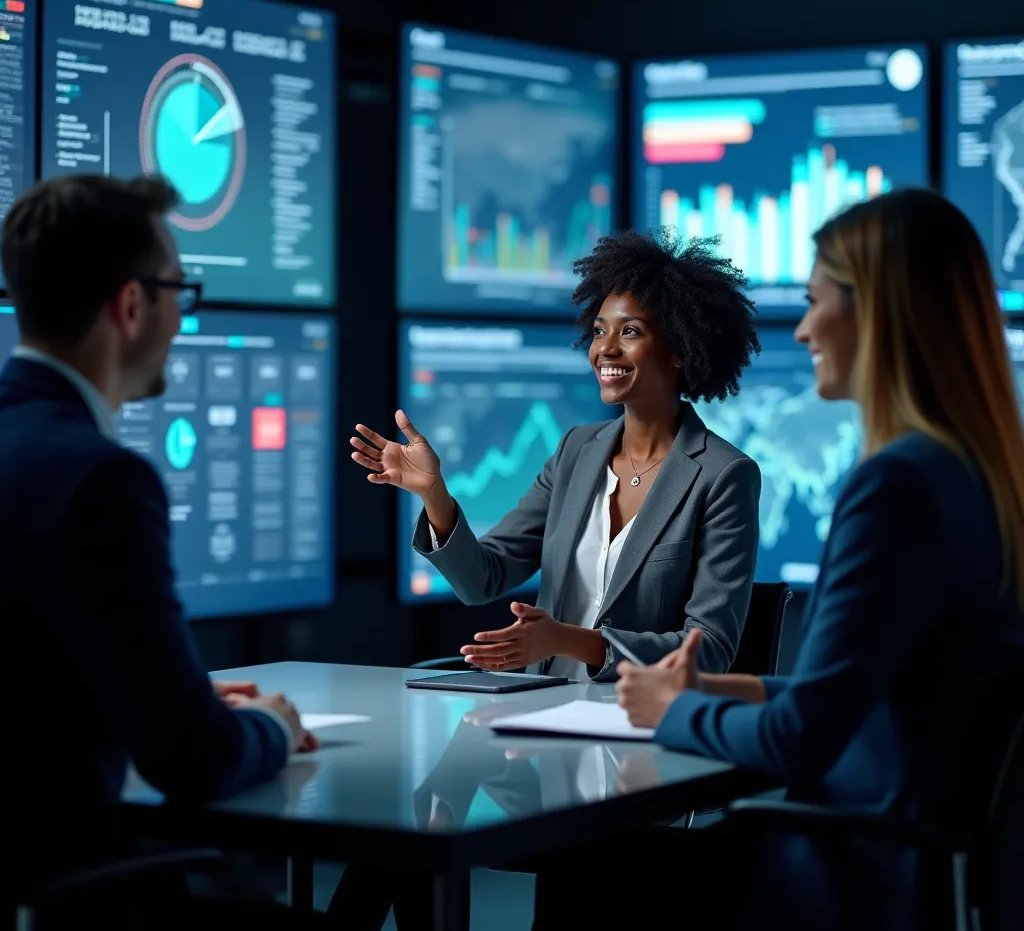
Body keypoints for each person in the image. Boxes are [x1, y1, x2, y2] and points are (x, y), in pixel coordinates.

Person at [615, 188, 1024, 931]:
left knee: (605, 869)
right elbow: (876, 693)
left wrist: (674, 710)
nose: (802, 330)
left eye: (813, 301)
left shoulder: (896, 488)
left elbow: (803, 740)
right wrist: (724, 688)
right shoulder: (984, 478)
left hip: (862, 872)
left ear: (875, 311)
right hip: (944, 869)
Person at [0, 175, 317, 926]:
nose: (182, 315)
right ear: (132, 305)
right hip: (74, 889)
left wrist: (168, 695)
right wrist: (270, 722)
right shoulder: (102, 481)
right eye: (180, 289)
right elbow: (193, 762)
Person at [351, 229, 762, 680]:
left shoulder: (724, 475)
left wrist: (566, 639)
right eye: (600, 331)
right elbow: (482, 579)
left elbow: (710, 650)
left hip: (639, 716)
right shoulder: (575, 452)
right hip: (545, 705)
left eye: (630, 332)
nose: (604, 348)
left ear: (680, 350)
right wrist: (435, 495)